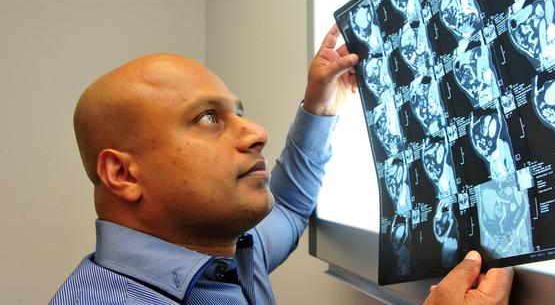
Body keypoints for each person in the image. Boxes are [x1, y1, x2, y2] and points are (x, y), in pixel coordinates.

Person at [50, 25, 513, 304]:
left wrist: (320, 102)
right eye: (208, 118)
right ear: (123, 174)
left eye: (239, 112)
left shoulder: (223, 256)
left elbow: (289, 206)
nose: (256, 132)